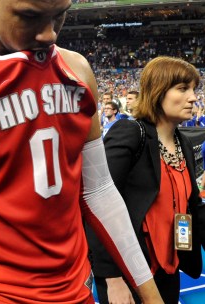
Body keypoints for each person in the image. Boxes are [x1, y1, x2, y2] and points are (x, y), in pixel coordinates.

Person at [0, 0, 163, 303]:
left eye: (60, 16)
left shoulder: (77, 70)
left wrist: (150, 294)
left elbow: (98, 190)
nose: (49, 35)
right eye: (30, 16)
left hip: (74, 286)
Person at [87, 56, 205, 304]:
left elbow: (193, 207)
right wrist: (112, 278)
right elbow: (98, 203)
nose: (193, 98)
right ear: (158, 92)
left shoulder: (183, 142)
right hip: (130, 274)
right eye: (182, 89)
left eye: (194, 89)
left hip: (168, 269)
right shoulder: (131, 133)